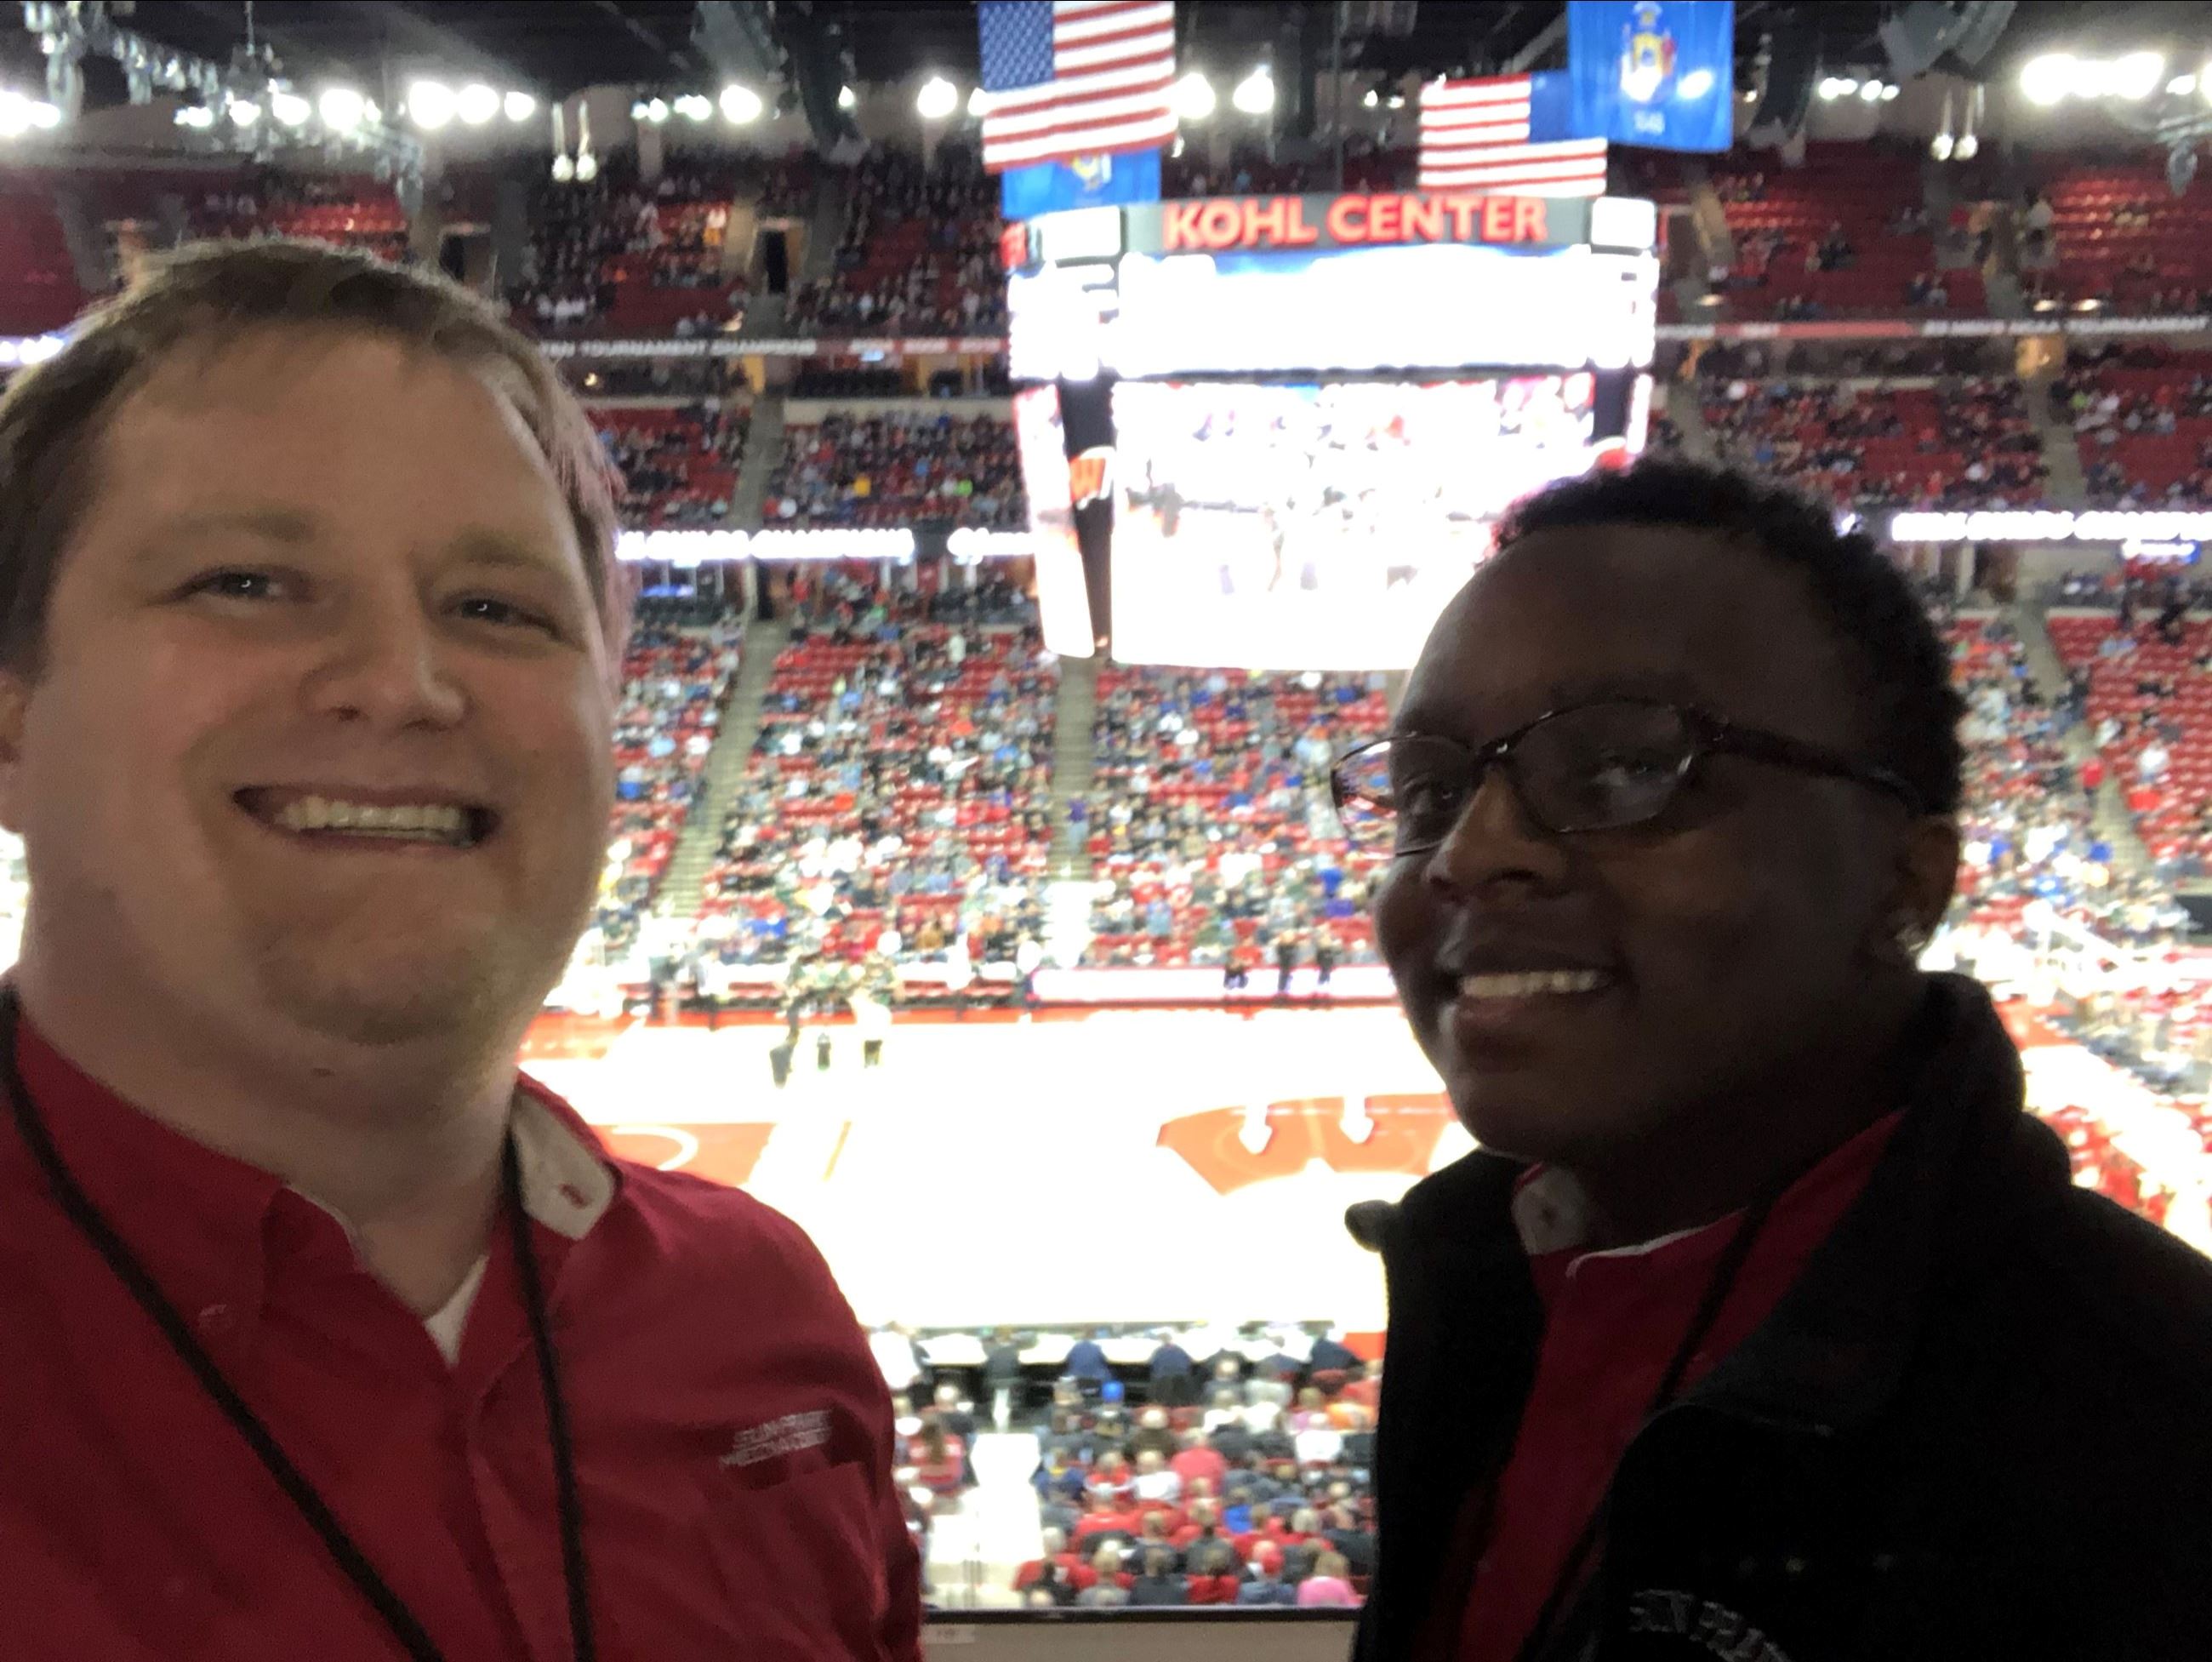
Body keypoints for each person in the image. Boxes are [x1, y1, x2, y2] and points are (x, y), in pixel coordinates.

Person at [0, 241, 919, 1658]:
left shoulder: (762, 1323)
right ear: (11, 718)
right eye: (246, 581)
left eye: (498, 608)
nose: (403, 683)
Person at [1336, 460, 2212, 1662]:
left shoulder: (2153, 1432)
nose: (1470, 853)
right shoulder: (1467, 1282)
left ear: (1905, 881)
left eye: (1628, 767)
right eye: (1428, 791)